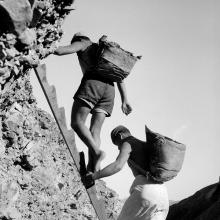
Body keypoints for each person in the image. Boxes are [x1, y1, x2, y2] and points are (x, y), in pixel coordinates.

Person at [53, 33, 132, 172]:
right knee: (95, 130)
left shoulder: (83, 43)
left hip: (93, 84)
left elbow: (60, 51)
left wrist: (41, 47)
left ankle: (97, 152)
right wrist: (125, 101)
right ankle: (93, 167)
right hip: (110, 91)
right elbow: (120, 78)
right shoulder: (103, 51)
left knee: (77, 122)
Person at [90, 125, 169, 220]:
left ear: (120, 136)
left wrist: (94, 176)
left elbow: (117, 166)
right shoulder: (145, 144)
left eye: (118, 145)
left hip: (146, 191)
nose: (119, 148)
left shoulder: (128, 143)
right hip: (163, 195)